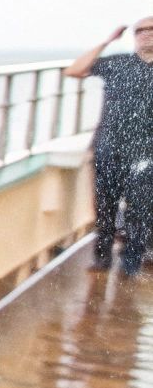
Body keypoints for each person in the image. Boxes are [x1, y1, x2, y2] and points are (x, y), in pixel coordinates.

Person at [65, 18, 153, 275]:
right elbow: (74, 70)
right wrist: (106, 42)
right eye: (140, 31)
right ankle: (102, 258)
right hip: (108, 147)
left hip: (146, 154)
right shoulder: (117, 63)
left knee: (141, 210)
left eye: (152, 30)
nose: (146, 34)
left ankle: (131, 265)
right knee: (104, 207)